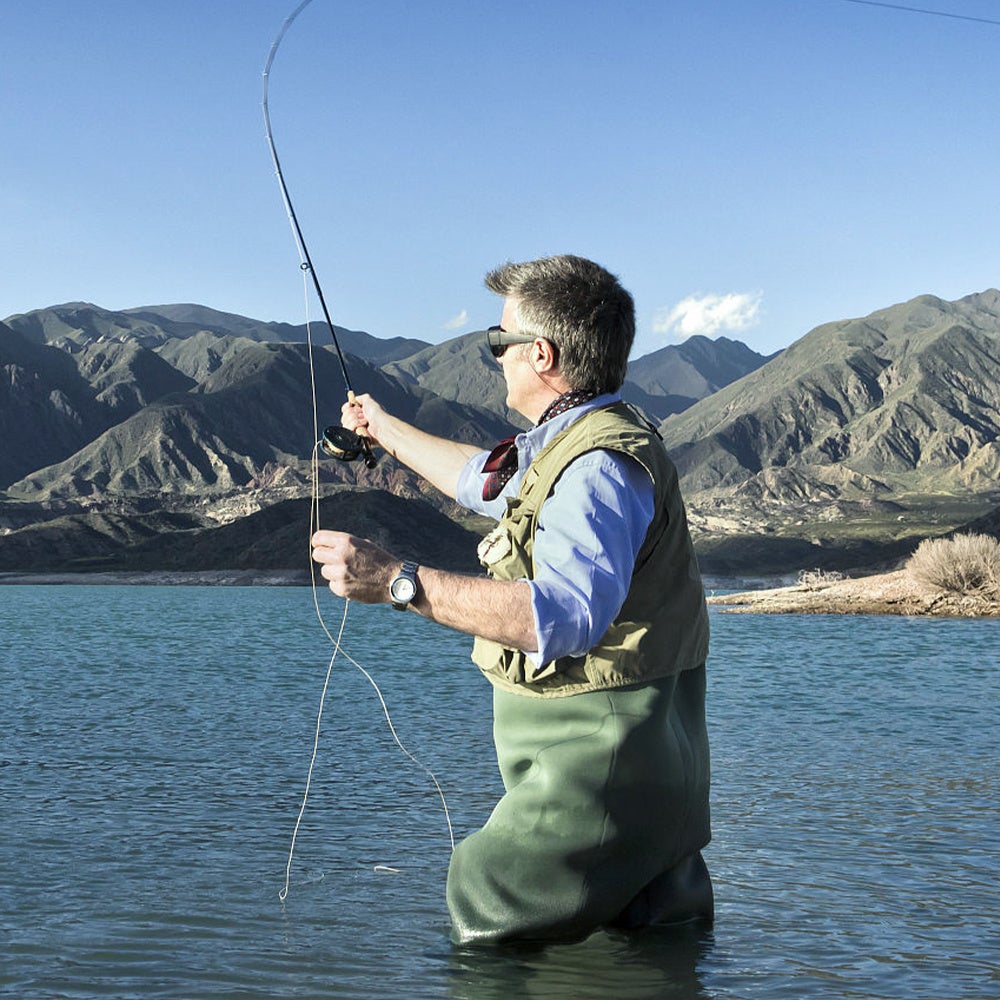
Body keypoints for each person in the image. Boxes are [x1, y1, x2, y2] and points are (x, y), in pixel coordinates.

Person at [311, 254, 713, 944]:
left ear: (542, 354)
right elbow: (481, 481)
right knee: (650, 948)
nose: (494, 357)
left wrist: (398, 581)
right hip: (649, 783)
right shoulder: (577, 438)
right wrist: (380, 428)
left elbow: (563, 616)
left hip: (596, 772)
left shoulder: (595, 468)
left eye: (499, 344)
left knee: (489, 898)